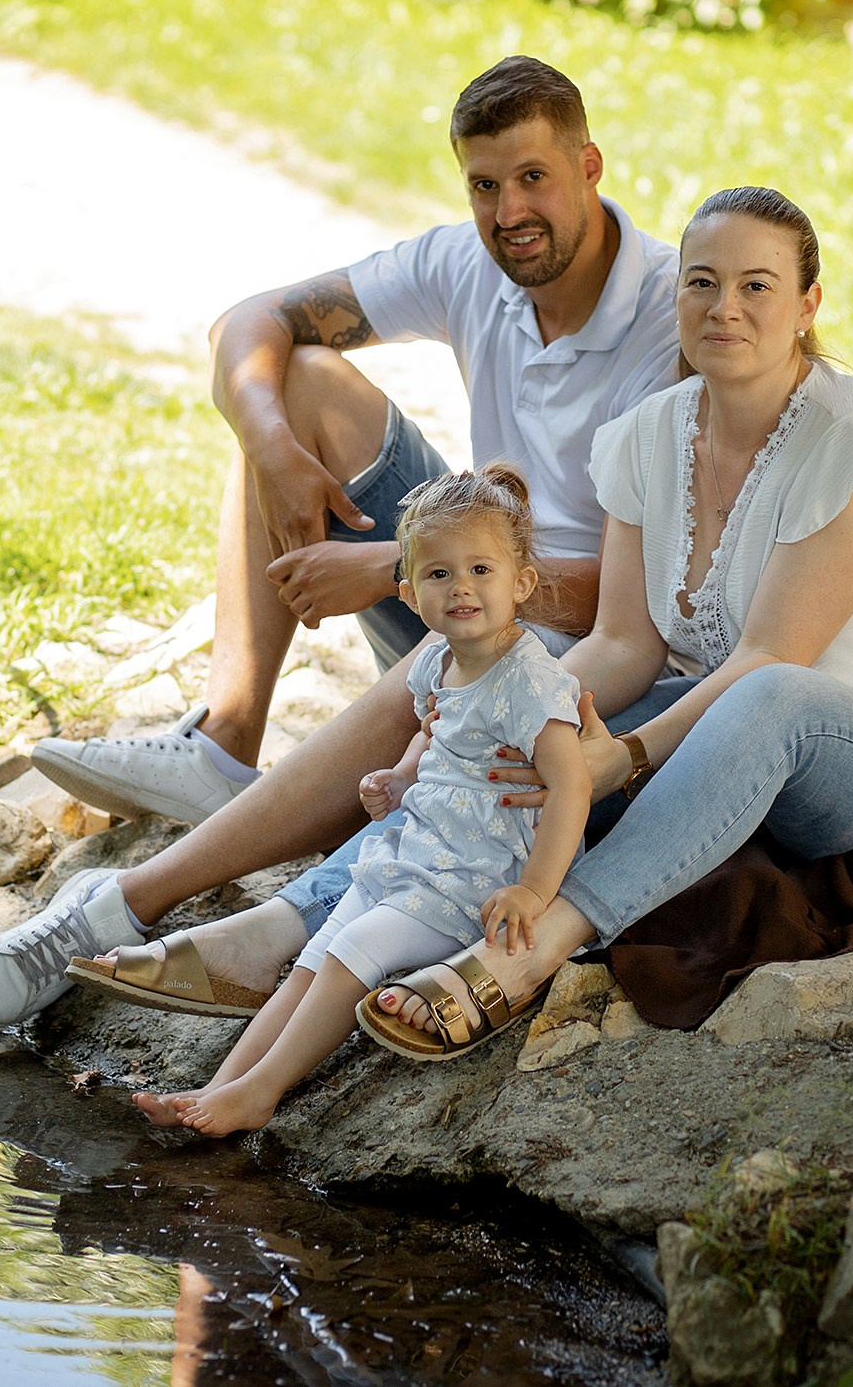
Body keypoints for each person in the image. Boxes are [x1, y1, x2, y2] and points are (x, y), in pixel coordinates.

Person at [83, 186, 853, 1060]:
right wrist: (460, 738)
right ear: (678, 295)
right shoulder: (654, 434)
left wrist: (627, 756)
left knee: (759, 697)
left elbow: (774, 659)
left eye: (756, 285)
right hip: (734, 721)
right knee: (530, 709)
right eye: (702, 282)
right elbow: (622, 644)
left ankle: (526, 953)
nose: (725, 307)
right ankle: (292, 925)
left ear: (808, 304)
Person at [0, 57, 680, 1029]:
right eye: (482, 185)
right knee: (294, 379)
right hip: (469, 584)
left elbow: (633, 604)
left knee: (458, 642)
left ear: (589, 165)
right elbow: (244, 322)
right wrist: (268, 442)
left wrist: (392, 567)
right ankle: (225, 737)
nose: (508, 210)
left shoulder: (673, 317)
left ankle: (122, 908)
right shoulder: (472, 264)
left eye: (532, 178)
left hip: (582, 652)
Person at [84, 464, 590, 1132]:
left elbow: (573, 784)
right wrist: (404, 776)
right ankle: (219, 1084)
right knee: (316, 955)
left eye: (481, 570)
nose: (461, 588)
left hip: (479, 879)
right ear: (409, 592)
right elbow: (437, 734)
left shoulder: (530, 681)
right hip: (417, 854)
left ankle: (260, 1091)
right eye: (439, 574)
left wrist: (533, 890)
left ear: (521, 581)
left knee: (354, 953)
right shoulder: (438, 659)